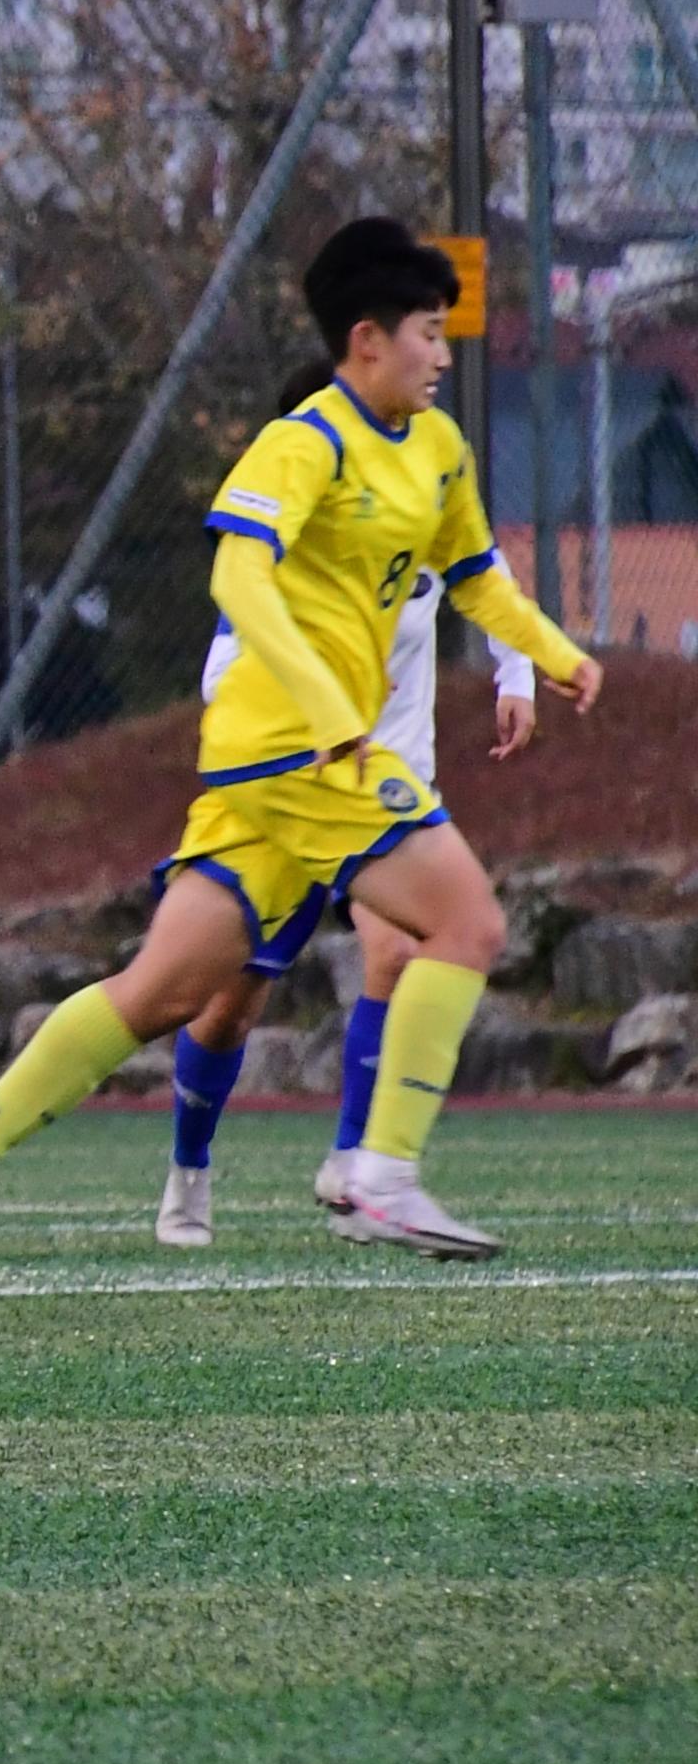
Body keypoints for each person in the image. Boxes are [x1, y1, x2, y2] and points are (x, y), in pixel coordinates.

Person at [0, 218, 599, 1288]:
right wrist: (324, 706)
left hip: (283, 766)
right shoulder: (303, 441)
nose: (444, 354)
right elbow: (238, 579)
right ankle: (381, 1171)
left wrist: (551, 652)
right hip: (294, 752)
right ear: (367, 339)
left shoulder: (439, 449)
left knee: (160, 992)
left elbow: (477, 575)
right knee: (467, 920)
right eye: (426, 332)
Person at [157, 471, 541, 1247]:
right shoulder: (296, 533)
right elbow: (221, 671)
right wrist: (318, 695)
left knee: (397, 951)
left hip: (389, 786)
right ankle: (187, 1171)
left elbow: (484, 573)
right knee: (227, 1005)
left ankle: (352, 1169)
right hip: (294, 786)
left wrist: (519, 672)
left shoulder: (423, 503)